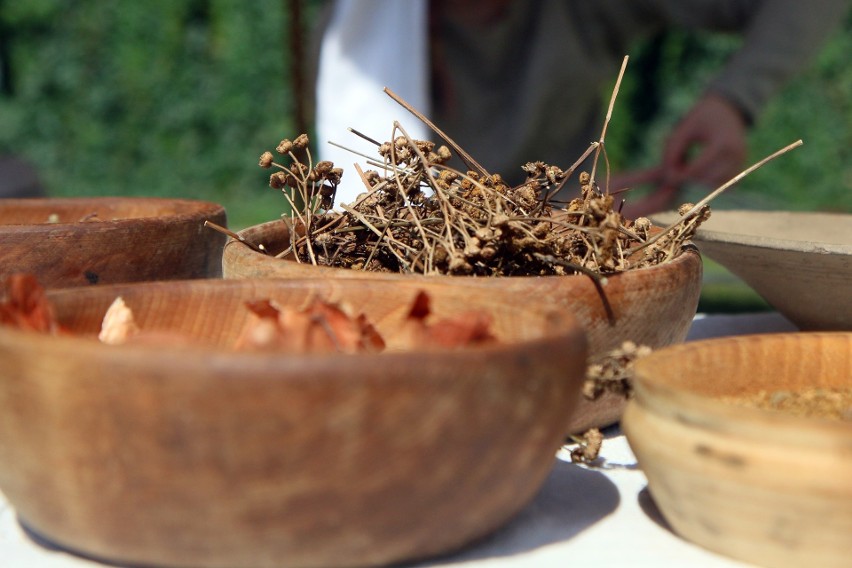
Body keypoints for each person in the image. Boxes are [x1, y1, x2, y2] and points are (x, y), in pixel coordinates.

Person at [314, 0, 848, 214]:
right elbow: (374, 218)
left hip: (577, 266)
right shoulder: (358, 39)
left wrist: (734, 100)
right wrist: (559, 218)